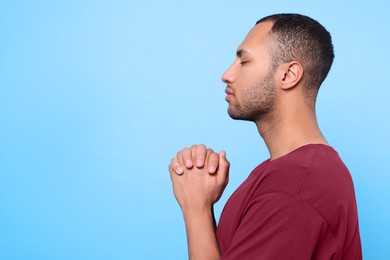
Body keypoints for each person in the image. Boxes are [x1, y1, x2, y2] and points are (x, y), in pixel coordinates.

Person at [168, 13, 362, 259]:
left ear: (288, 75)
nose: (227, 75)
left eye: (244, 61)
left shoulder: (294, 188)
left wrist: (196, 208)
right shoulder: (285, 174)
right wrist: (201, 206)